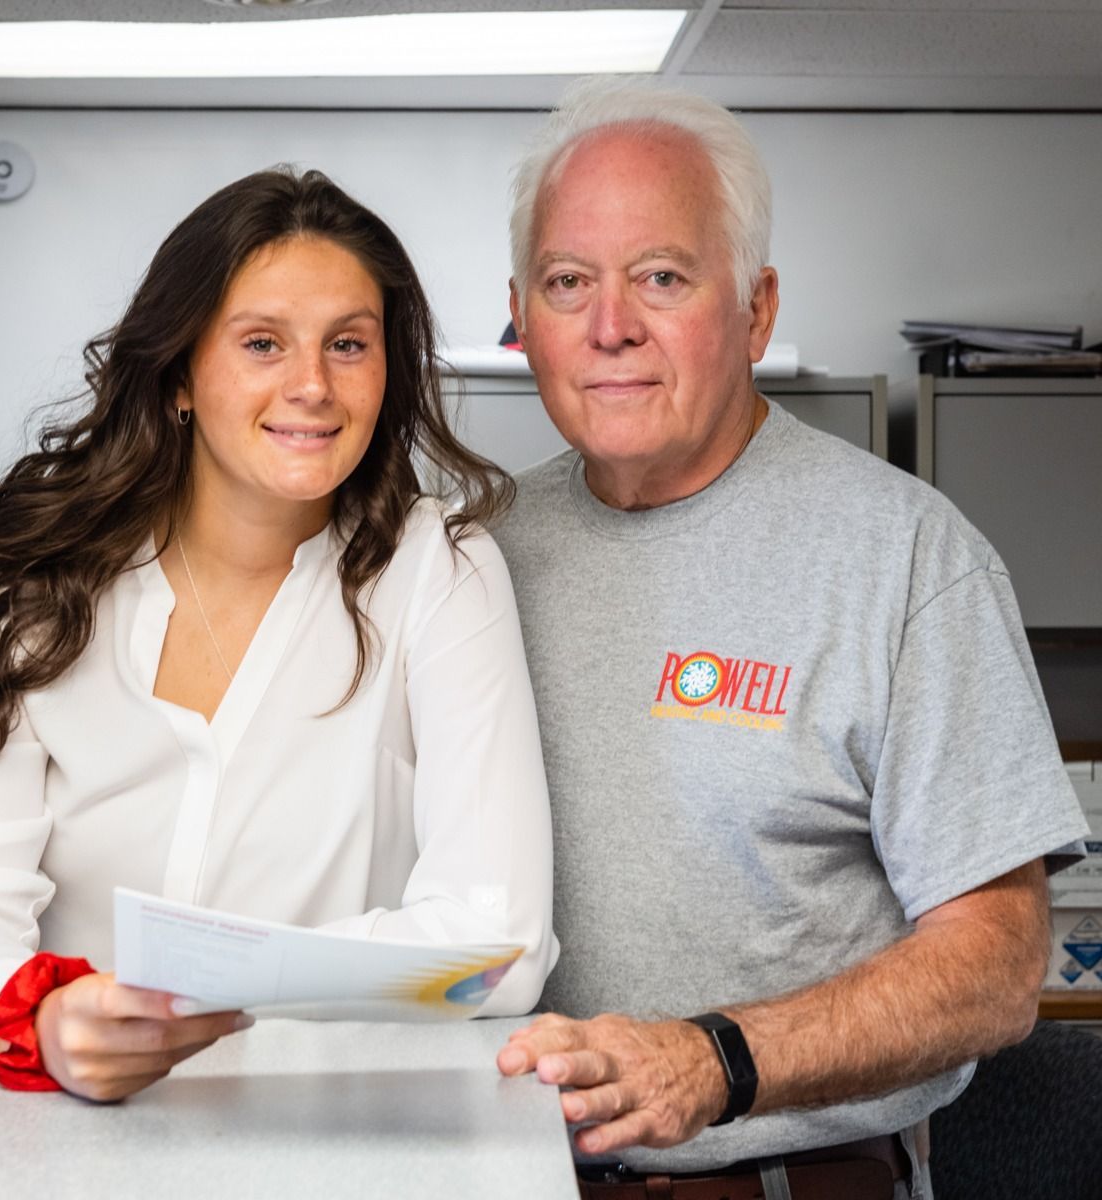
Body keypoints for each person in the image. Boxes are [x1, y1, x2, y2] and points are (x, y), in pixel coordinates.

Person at [491, 79, 1088, 1200]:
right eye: (569, 283)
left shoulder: (905, 559)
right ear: (522, 316)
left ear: (757, 310)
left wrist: (715, 1060)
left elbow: (1000, 964)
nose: (611, 323)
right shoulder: (472, 559)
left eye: (662, 277)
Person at [0, 167, 556, 1101]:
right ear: (179, 375)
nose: (313, 386)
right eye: (262, 343)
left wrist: (206, 985)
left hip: (337, 1137)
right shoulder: (25, 592)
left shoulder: (440, 572)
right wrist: (39, 1019)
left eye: (348, 344)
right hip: (60, 1139)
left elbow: (497, 942)